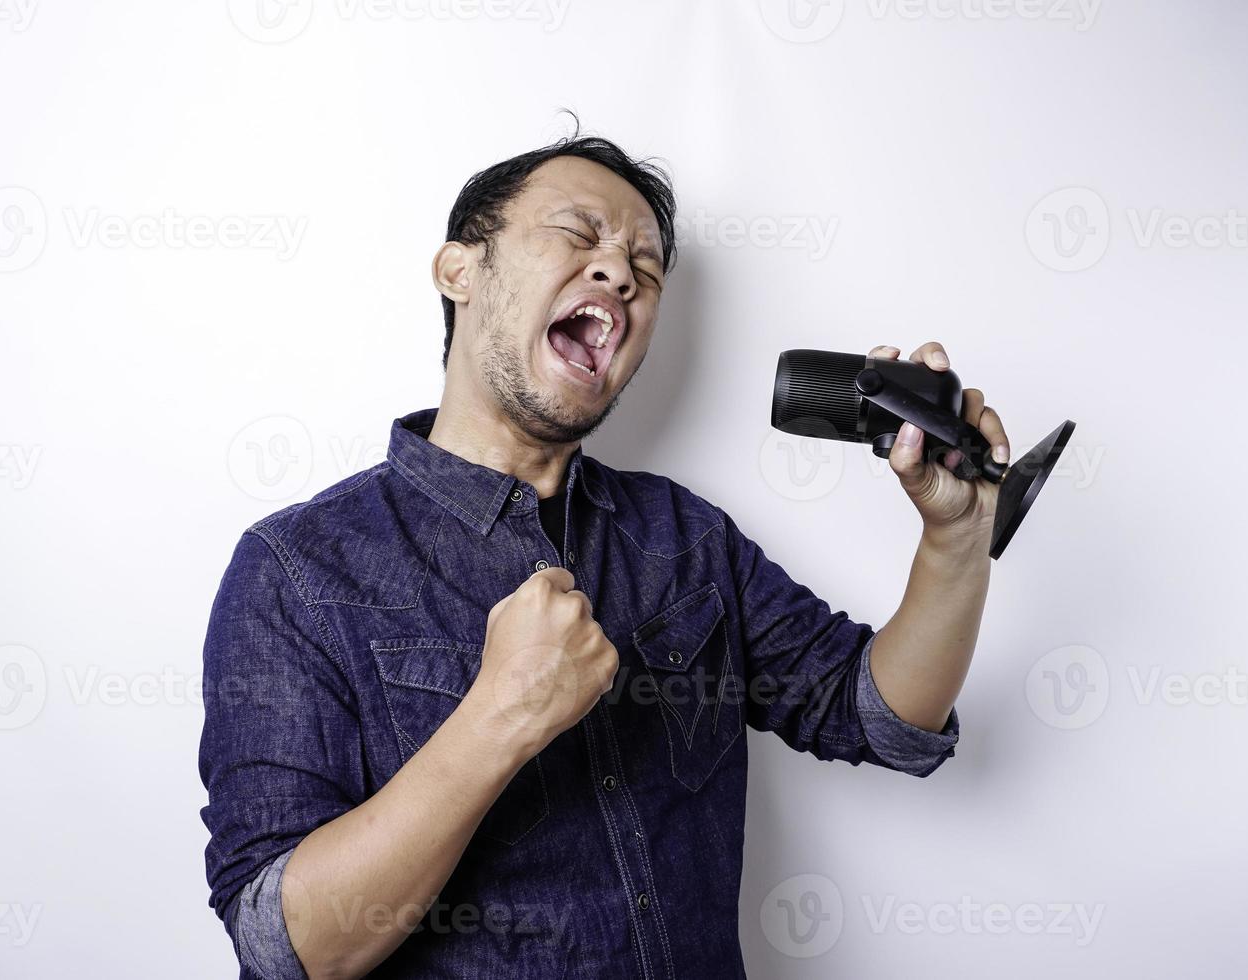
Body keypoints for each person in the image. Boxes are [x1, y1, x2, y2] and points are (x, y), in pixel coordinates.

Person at [198, 125, 1011, 979]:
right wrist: (499, 717)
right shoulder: (295, 570)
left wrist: (957, 540)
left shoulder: (684, 536)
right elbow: (287, 948)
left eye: (646, 270)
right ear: (460, 271)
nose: (620, 272)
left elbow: (883, 718)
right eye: (579, 235)